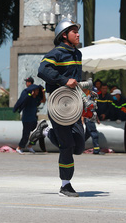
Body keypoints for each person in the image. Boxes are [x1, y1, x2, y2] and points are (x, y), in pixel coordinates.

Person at [30, 18, 85, 197]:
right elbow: (43, 71)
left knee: (79, 146)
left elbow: (75, 81)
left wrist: (86, 94)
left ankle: (45, 131)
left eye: (78, 31)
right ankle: (65, 185)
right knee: (67, 145)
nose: (78, 34)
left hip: (73, 106)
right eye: (74, 31)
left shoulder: (78, 55)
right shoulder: (56, 53)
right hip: (58, 106)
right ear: (64, 35)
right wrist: (63, 81)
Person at [13, 79, 45, 154]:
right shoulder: (28, 97)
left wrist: (43, 93)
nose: (37, 92)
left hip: (33, 119)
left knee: (37, 133)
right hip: (26, 119)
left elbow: (43, 101)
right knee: (26, 135)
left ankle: (30, 146)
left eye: (38, 91)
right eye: (36, 91)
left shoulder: (36, 99)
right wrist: (30, 94)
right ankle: (19, 148)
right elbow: (22, 101)